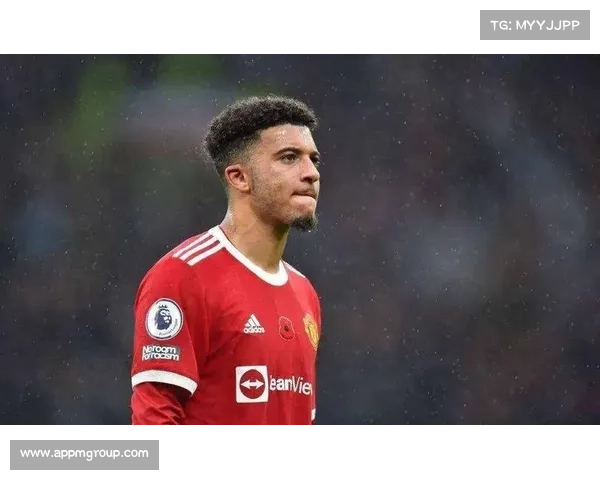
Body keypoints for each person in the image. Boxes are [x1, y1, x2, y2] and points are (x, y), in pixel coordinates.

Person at [130, 95, 323, 427]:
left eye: (313, 159)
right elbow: (154, 419)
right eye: (289, 158)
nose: (311, 173)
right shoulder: (184, 275)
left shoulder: (305, 293)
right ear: (239, 177)